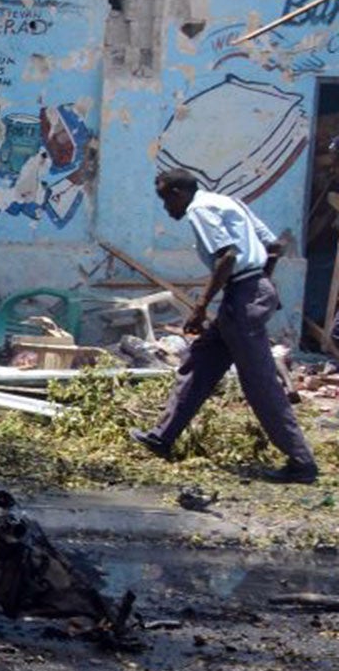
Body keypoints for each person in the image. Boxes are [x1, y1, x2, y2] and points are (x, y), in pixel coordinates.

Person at [129, 167, 319, 484]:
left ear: (177, 193)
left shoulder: (199, 210)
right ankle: (162, 437)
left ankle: (301, 462)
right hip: (247, 292)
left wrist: (201, 308)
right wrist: (262, 282)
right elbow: (274, 246)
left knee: (259, 382)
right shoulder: (228, 202)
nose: (167, 208)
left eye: (165, 201)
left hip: (243, 295)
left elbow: (227, 256)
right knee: (200, 362)